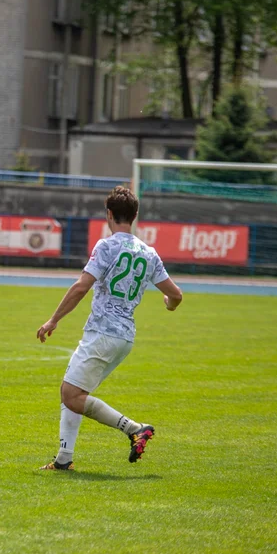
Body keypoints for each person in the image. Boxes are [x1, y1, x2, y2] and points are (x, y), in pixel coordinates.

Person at [36, 186, 182, 470]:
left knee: (71, 394)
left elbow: (81, 286)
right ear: (135, 215)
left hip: (103, 332)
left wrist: (54, 319)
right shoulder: (149, 252)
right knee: (73, 390)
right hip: (124, 338)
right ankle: (64, 459)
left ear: (109, 215)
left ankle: (134, 428)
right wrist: (168, 304)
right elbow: (176, 295)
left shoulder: (106, 245)